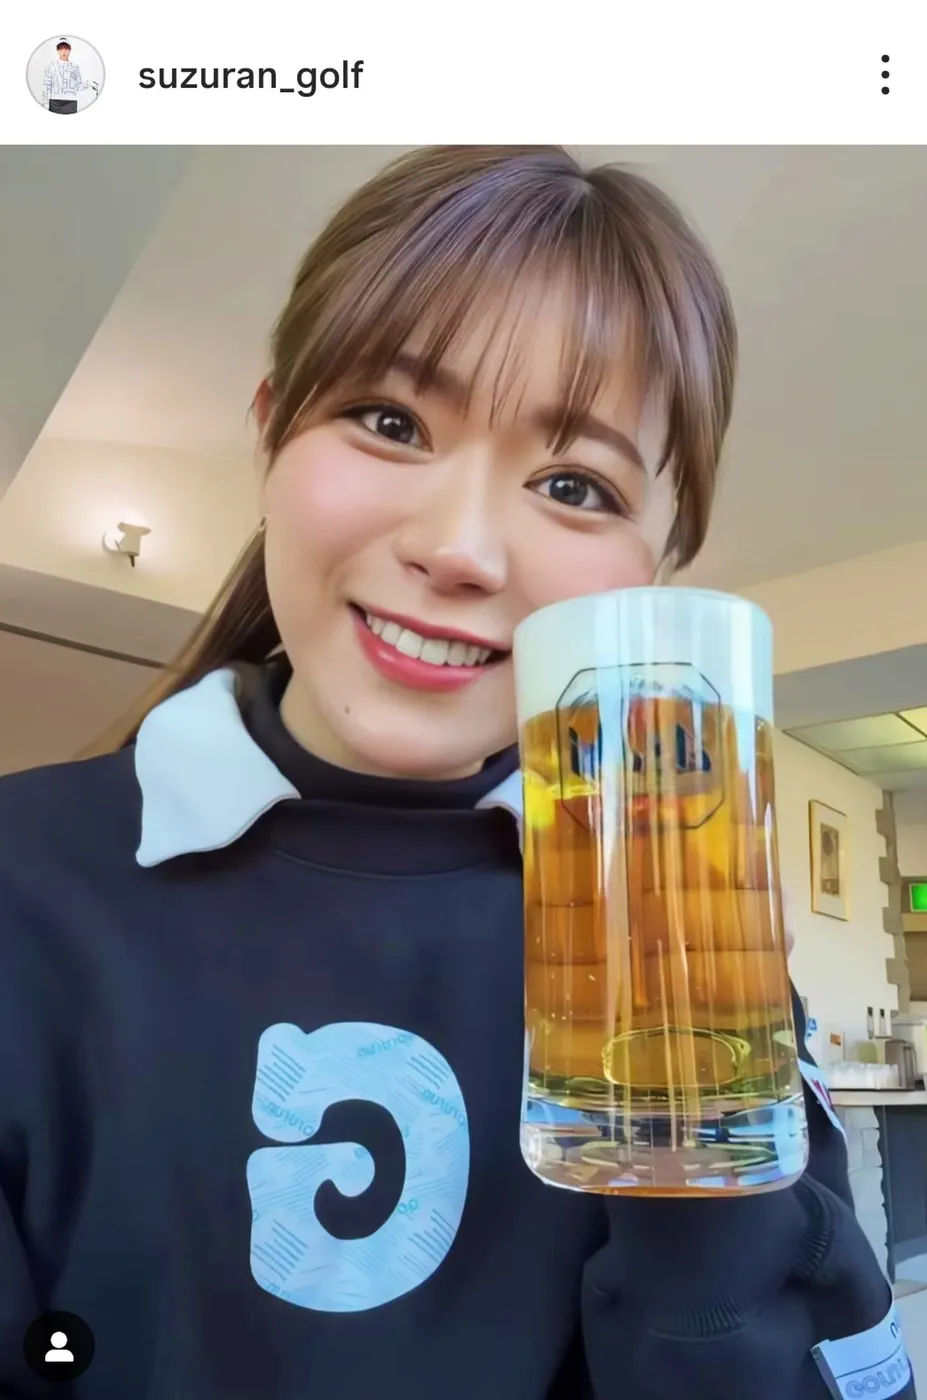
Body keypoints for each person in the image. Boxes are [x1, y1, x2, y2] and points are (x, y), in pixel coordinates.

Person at [0, 146, 913, 1400]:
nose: (461, 548)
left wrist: (700, 1175)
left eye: (573, 484)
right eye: (390, 421)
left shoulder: (686, 957)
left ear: (652, 572)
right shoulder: (24, 884)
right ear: (270, 434)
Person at [41, 38, 98, 114]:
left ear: (70, 50)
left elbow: (77, 86)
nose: (63, 52)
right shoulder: (51, 65)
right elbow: (47, 84)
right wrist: (45, 101)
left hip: (71, 102)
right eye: (61, 49)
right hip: (55, 101)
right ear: (57, 51)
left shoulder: (75, 67)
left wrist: (89, 84)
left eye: (66, 49)